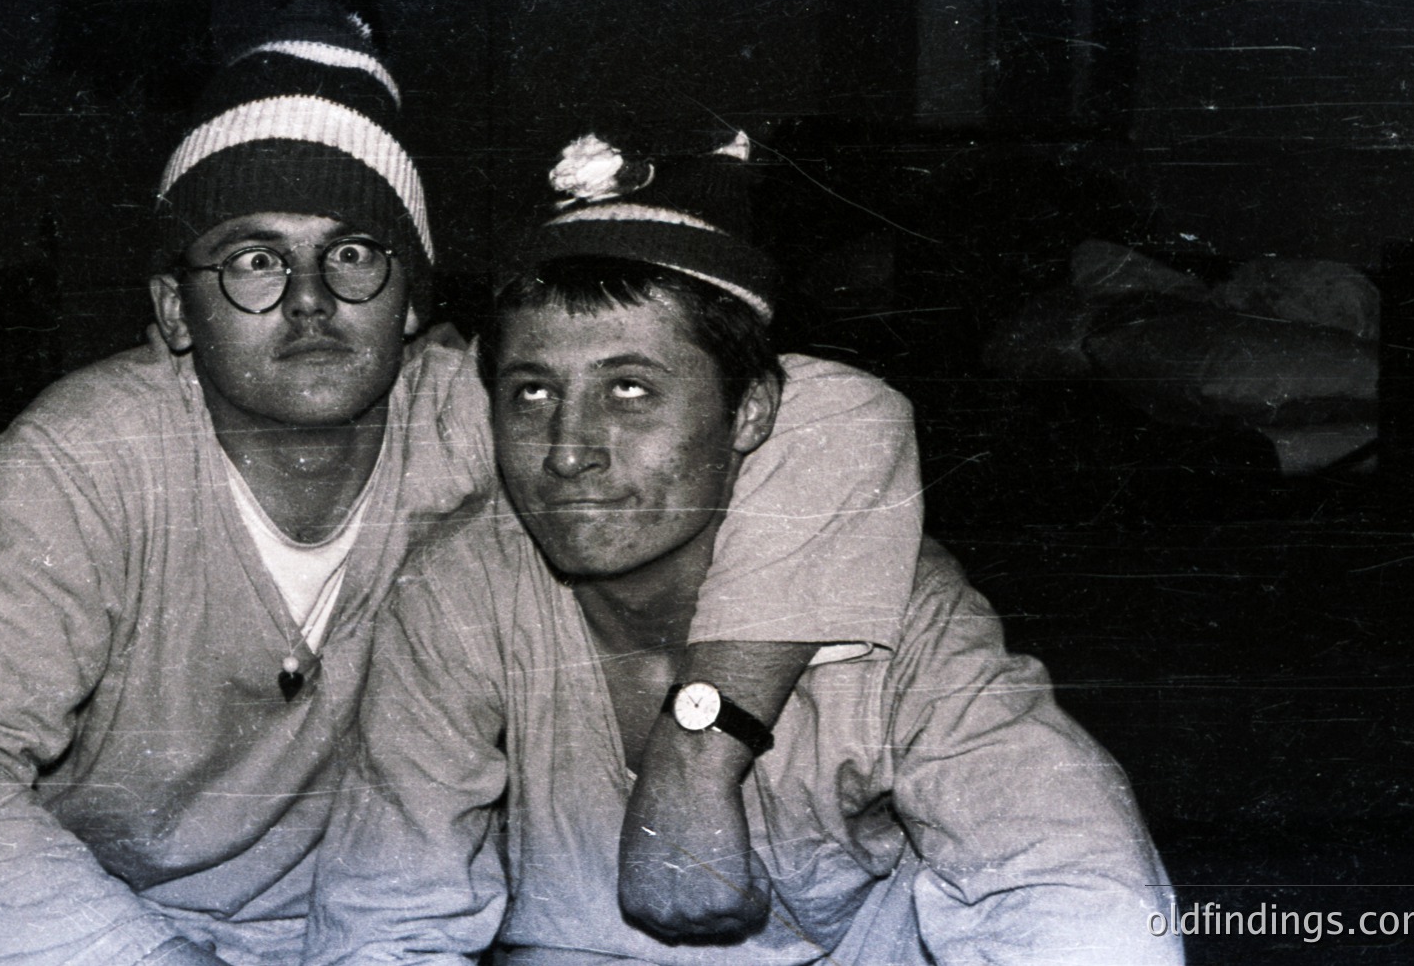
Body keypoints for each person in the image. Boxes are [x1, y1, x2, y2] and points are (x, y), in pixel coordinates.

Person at [0, 3, 923, 965]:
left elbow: (837, 412)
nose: (312, 302)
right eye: (254, 261)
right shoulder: (82, 463)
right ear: (176, 310)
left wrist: (702, 745)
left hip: (386, 932)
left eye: (356, 254)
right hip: (97, 925)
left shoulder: (469, 413)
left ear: (411, 299)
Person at [305, 136, 1182, 965]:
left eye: (630, 389)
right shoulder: (461, 597)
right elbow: (384, 919)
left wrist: (696, 754)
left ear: (755, 410)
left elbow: (1077, 878)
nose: (569, 447)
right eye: (531, 391)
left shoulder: (893, 605)